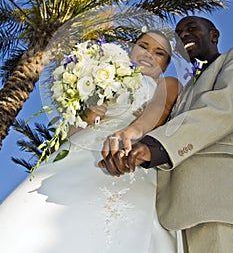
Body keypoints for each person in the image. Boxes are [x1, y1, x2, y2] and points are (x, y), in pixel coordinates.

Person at [0, 30, 183, 253]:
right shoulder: (109, 71)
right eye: (143, 46)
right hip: (80, 149)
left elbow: (158, 111)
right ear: (132, 48)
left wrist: (132, 132)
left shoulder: (167, 84)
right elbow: (73, 130)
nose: (148, 54)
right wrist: (90, 112)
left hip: (124, 152)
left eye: (159, 53)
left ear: (165, 65)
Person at [100, 16, 233, 253]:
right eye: (179, 34)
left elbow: (222, 108)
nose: (183, 36)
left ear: (214, 35)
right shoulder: (185, 90)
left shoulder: (229, 61)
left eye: (192, 29)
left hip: (217, 202)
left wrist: (156, 147)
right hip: (175, 210)